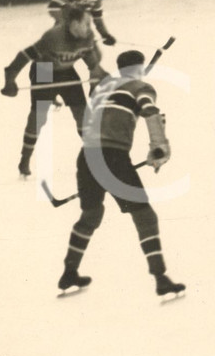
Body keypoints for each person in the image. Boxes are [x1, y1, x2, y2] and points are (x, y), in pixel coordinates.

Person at [56, 49, 185, 297]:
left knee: (91, 215)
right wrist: (159, 147)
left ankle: (69, 272)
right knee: (145, 217)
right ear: (140, 68)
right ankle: (160, 277)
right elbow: (150, 111)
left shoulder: (101, 88)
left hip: (87, 156)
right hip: (113, 155)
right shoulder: (141, 88)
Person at [1, 6, 108, 177]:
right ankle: (24, 160)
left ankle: (95, 159)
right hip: (44, 70)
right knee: (38, 118)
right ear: (74, 24)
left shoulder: (87, 36)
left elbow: (92, 64)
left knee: (82, 114)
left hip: (66, 71)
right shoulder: (53, 36)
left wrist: (98, 77)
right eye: (87, 23)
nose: (90, 28)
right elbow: (25, 55)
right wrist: (10, 79)